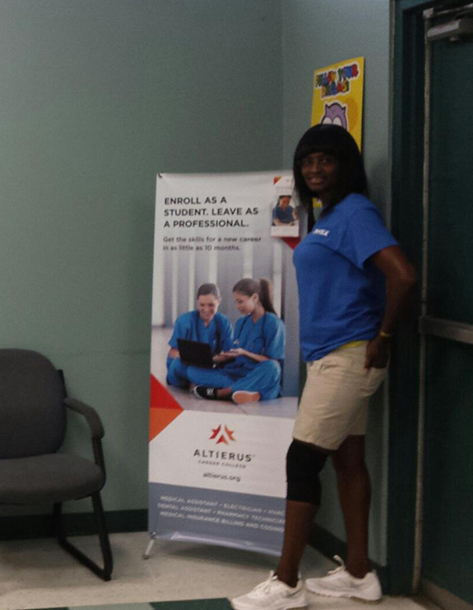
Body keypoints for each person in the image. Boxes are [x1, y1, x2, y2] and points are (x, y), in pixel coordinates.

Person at [230, 124, 415, 610]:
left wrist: (384, 338)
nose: (314, 168)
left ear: (345, 165)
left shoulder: (354, 212)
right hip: (328, 355)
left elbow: (402, 276)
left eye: (325, 159)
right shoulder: (329, 216)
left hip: (349, 355)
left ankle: (287, 582)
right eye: (307, 160)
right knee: (348, 460)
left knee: (302, 460)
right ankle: (359, 573)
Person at [189, 278, 285, 404]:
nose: (237, 306)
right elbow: (235, 352)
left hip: (256, 372)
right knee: (192, 371)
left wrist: (245, 353)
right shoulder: (241, 322)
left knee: (273, 368)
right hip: (236, 372)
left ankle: (223, 392)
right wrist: (219, 358)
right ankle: (250, 392)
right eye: (236, 302)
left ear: (255, 298)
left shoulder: (274, 323)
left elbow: (273, 361)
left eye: (240, 301)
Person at [165, 283, 235, 388]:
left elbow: (229, 353)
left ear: (219, 302)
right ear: (197, 302)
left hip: (209, 366)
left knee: (204, 371)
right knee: (180, 366)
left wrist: (216, 359)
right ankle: (207, 383)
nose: (206, 309)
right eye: (202, 305)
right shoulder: (185, 320)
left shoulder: (223, 322)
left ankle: (200, 383)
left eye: (211, 305)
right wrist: (195, 359)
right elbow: (173, 353)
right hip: (184, 365)